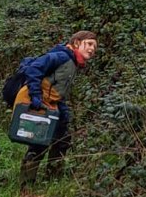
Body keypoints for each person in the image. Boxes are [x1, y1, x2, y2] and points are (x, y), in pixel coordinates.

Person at [14, 30, 98, 185]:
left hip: (52, 106)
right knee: (38, 143)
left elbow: (56, 89)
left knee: (62, 140)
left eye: (95, 47)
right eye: (89, 44)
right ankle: (25, 187)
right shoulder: (62, 56)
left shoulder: (73, 62)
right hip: (38, 104)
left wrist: (63, 111)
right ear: (77, 43)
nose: (92, 49)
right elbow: (34, 69)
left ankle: (52, 183)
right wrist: (36, 97)